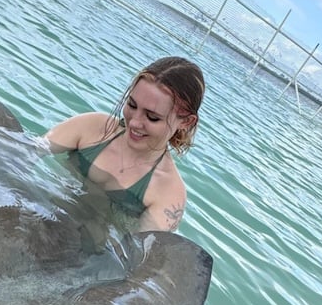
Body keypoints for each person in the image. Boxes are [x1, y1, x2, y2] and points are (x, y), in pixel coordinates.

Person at [45, 56, 205, 233]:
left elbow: (141, 257)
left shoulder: (168, 193)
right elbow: (22, 152)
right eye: (132, 105)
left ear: (186, 122)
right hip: (45, 210)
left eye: (152, 117)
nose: (134, 122)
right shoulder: (91, 127)